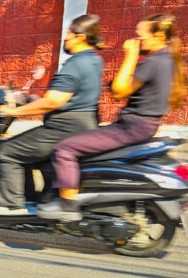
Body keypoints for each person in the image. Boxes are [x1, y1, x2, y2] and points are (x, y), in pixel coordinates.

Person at [40, 13, 187, 221]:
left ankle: (67, 205)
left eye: (140, 36)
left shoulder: (153, 62)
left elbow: (118, 91)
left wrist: (130, 56)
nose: (136, 41)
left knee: (65, 148)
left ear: (158, 36)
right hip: (143, 125)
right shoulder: (167, 59)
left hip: (132, 126)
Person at [0, 14, 104, 215]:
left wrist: (13, 110)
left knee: (6, 151)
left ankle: (11, 206)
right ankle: (35, 199)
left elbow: (53, 102)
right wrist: (33, 99)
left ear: (80, 37)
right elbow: (73, 94)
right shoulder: (94, 59)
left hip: (64, 128)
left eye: (68, 34)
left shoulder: (76, 63)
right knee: (28, 150)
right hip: (84, 124)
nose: (65, 38)